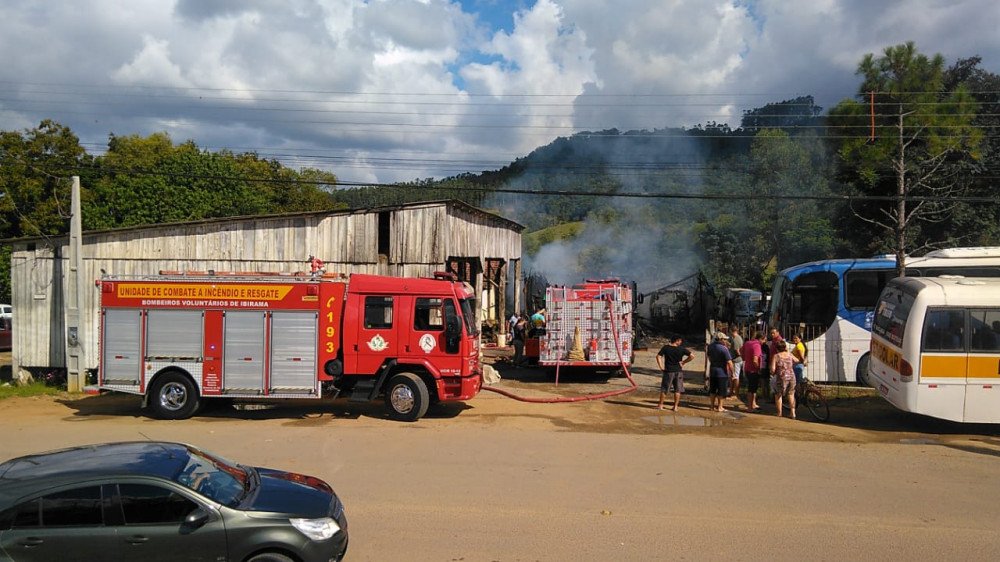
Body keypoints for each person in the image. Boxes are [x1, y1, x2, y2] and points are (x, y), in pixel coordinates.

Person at [655, 335, 693, 411]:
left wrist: (661, 367)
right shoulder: (681, 349)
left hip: (668, 371)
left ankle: (661, 405)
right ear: (677, 340)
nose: (681, 342)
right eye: (680, 340)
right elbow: (692, 356)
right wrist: (683, 362)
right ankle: (675, 407)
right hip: (679, 371)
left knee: (665, 389)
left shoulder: (666, 348)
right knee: (678, 390)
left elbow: (658, 356)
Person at [706, 332, 734, 412]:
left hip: (713, 370)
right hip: (722, 372)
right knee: (721, 390)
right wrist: (732, 373)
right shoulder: (724, 349)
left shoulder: (710, 346)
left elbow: (709, 357)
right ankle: (720, 407)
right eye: (724, 339)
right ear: (721, 339)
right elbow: (729, 362)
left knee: (713, 389)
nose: (725, 341)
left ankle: (711, 406)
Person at [770, 340, 796, 418]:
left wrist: (772, 372)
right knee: (791, 394)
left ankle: (779, 413)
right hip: (791, 376)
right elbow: (797, 360)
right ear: (785, 347)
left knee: (778, 394)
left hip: (782, 377)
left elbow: (773, 369)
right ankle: (793, 413)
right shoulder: (790, 354)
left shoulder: (776, 356)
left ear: (777, 348)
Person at [740, 331, 763, 411]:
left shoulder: (747, 343)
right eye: (764, 340)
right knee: (752, 389)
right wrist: (758, 369)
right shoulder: (757, 346)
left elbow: (741, 351)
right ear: (760, 339)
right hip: (753, 370)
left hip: (747, 368)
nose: (764, 342)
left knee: (753, 388)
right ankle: (750, 407)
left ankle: (753, 404)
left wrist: (744, 358)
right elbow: (755, 360)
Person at [728, 327, 744, 400]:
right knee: (733, 377)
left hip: (736, 361)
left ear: (731, 331)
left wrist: (741, 357)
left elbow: (738, 351)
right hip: (736, 360)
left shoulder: (736, 339)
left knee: (735, 377)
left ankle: (736, 394)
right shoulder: (737, 338)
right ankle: (732, 392)